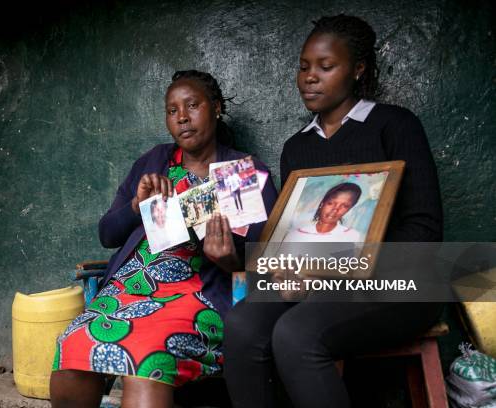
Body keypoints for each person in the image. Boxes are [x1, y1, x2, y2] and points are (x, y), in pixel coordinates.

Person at [223, 15, 443, 408]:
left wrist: (336, 269)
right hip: (316, 285)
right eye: (304, 67)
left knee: (296, 333)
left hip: (402, 284)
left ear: (357, 70)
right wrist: (279, 266)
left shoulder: (394, 125)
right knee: (241, 325)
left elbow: (425, 232)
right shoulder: (297, 148)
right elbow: (294, 238)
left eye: (326, 67)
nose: (310, 77)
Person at [50, 69, 278, 408]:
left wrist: (229, 260)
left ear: (216, 107)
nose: (182, 117)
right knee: (72, 344)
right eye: (172, 110)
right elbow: (107, 234)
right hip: (128, 291)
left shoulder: (241, 172)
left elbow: (266, 264)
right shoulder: (155, 161)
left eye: (193, 105)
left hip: (198, 294)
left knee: (146, 357)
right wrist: (134, 206)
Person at [284, 182, 362, 242]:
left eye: (344, 206)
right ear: (322, 204)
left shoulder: (353, 236)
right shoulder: (296, 234)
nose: (335, 209)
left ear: (349, 209)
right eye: (330, 203)